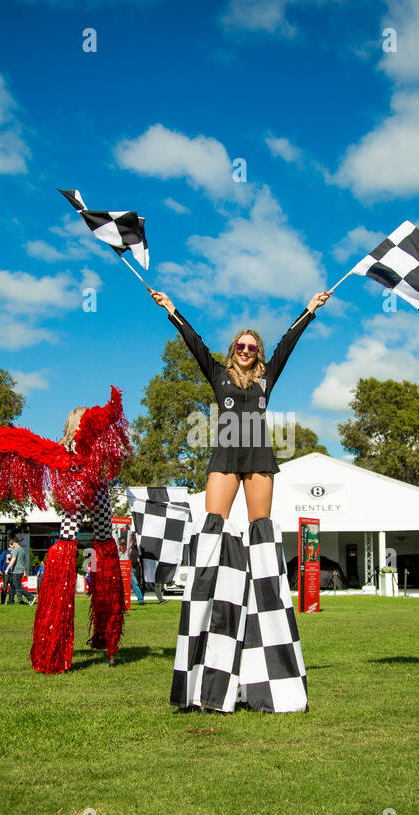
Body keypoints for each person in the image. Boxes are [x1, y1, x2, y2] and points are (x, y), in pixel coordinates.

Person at [149, 287, 331, 713]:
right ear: (234, 350)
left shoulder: (267, 378)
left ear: (259, 353)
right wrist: (172, 310)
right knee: (212, 532)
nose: (246, 350)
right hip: (226, 459)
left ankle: (264, 637)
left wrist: (308, 311)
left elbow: (289, 343)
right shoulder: (220, 376)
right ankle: (205, 632)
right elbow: (193, 345)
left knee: (261, 539)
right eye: (241, 345)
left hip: (260, 461)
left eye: (253, 346)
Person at [0, 388, 131, 670]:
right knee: (103, 552)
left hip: (78, 498)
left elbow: (15, 445)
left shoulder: (62, 451)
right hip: (95, 496)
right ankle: (106, 643)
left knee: (73, 547)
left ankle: (60, 647)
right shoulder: (81, 451)